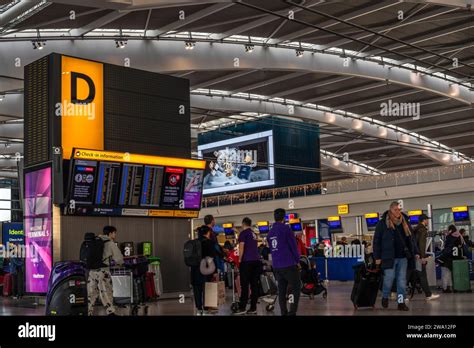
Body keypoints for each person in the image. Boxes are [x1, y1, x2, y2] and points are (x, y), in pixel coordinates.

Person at [373, 201, 419, 311]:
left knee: (402, 281)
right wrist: (377, 257)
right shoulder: (382, 223)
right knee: (389, 279)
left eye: (399, 210)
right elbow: (377, 241)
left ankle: (401, 302)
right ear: (390, 210)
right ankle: (385, 296)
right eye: (396, 210)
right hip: (388, 257)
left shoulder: (405, 222)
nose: (398, 212)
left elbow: (411, 239)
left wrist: (416, 252)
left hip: (403, 257)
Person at [267, 208, 301, 316]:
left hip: (277, 266)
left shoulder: (270, 232)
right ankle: (292, 312)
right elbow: (293, 247)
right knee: (296, 287)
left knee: (281, 291)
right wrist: (297, 260)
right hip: (289, 264)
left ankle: (284, 312)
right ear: (284, 218)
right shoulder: (286, 229)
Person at [87, 226, 124, 316]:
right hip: (103, 272)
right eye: (115, 233)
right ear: (110, 233)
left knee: (91, 293)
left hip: (92, 271)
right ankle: (110, 312)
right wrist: (120, 263)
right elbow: (119, 258)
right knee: (106, 292)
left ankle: (88, 312)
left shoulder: (95, 240)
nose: (115, 235)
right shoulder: (110, 243)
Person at [233, 218, 261, 315]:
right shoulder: (254, 234)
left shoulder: (243, 233)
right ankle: (253, 308)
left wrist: (240, 260)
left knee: (244, 285)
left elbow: (241, 247)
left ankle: (242, 308)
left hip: (247, 262)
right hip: (257, 261)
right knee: (254, 285)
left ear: (243, 224)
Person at [191, 225, 217, 315]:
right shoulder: (209, 243)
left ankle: (199, 308)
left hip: (194, 269)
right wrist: (214, 271)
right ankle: (206, 308)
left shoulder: (194, 243)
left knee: (197, 289)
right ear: (208, 233)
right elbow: (211, 258)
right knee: (206, 288)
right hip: (205, 269)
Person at [412, 214, 439, 300]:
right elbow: (422, 244)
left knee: (410, 275)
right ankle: (428, 295)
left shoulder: (416, 229)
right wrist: (422, 257)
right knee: (422, 275)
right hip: (419, 256)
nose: (428, 221)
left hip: (413, 255)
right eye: (427, 220)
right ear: (424, 220)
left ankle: (401, 295)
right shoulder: (423, 230)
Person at [439, 225, 469, 293]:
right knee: (455, 274)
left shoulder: (448, 237)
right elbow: (463, 246)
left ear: (450, 230)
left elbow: (445, 247)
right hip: (458, 258)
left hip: (448, 258)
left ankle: (445, 288)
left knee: (445, 273)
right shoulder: (459, 236)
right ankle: (456, 287)